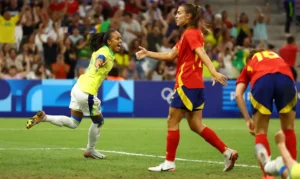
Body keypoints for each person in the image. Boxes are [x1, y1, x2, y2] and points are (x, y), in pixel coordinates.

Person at [136, 3, 238, 172]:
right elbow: (170, 55)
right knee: (196, 124)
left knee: (172, 120)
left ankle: (169, 163)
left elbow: (202, 53)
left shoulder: (190, 34)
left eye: (179, 13)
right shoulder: (190, 35)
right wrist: (148, 53)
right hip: (197, 85)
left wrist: (213, 72)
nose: (176, 15)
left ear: (188, 16)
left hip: (186, 84)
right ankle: (227, 152)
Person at [26, 30, 123, 159]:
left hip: (78, 88)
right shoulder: (104, 52)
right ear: (109, 41)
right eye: (117, 38)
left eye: (120, 38)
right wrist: (98, 63)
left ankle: (44, 117)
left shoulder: (106, 51)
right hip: (87, 92)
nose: (120, 41)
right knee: (98, 122)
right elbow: (100, 59)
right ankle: (90, 150)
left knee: (74, 122)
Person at [235, 49, 297, 179]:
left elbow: (238, 94)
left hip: (262, 81)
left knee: (261, 131)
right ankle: (291, 171)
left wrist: (247, 120)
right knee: (289, 129)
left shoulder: (250, 64)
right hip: (285, 79)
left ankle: (267, 176)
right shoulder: (275, 56)